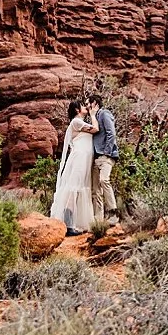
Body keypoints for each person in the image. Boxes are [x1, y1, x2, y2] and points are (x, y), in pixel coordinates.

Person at [50, 102, 98, 234]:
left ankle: (73, 222)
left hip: (85, 159)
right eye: (83, 106)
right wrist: (93, 115)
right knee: (74, 187)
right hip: (79, 159)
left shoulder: (79, 122)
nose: (85, 108)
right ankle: (68, 224)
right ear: (77, 110)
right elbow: (95, 129)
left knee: (80, 187)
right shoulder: (76, 122)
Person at [87, 95, 120, 223]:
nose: (87, 106)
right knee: (95, 190)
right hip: (96, 158)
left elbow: (111, 134)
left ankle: (113, 213)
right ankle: (98, 220)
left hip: (106, 156)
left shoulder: (105, 114)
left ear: (94, 103)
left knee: (104, 180)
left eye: (88, 103)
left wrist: (106, 152)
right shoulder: (93, 118)